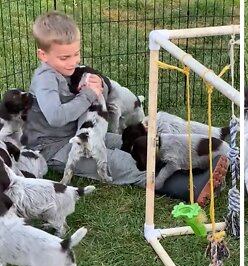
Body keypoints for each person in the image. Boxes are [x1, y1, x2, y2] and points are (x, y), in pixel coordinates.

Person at [23, 11, 228, 206]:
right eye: (64, 58)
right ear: (43, 55)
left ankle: (195, 161)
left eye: (76, 54)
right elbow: (55, 117)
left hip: (83, 133)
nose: (73, 62)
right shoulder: (45, 80)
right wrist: (88, 95)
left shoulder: (68, 69)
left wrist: (99, 85)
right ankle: (189, 186)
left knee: (135, 144)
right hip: (55, 148)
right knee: (121, 163)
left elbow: (96, 93)